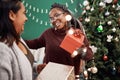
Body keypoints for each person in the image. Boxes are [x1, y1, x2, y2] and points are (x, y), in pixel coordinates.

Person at [25, 3, 93, 79]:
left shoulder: (76, 34)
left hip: (69, 77)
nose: (54, 20)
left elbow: (89, 56)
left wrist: (82, 50)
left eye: (57, 15)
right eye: (51, 18)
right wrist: (16, 38)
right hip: (49, 76)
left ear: (66, 15)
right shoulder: (48, 33)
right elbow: (33, 44)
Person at [0, 0, 35, 80]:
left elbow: (20, 65)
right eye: (24, 13)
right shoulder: (2, 50)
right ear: (12, 15)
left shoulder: (19, 39)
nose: (26, 19)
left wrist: (36, 67)